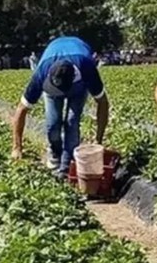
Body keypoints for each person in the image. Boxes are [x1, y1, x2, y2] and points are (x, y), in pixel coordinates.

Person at [11, 36, 110, 179]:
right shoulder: (42, 72)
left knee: (72, 121)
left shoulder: (86, 67)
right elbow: (21, 109)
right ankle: (55, 152)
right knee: (53, 123)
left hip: (79, 86)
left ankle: (67, 164)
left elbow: (103, 102)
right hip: (53, 63)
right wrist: (17, 147)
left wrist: (98, 142)